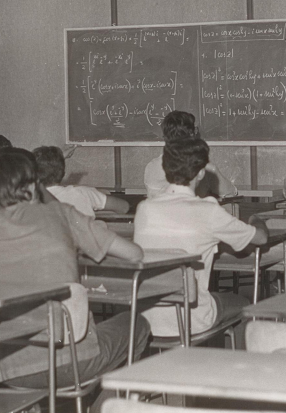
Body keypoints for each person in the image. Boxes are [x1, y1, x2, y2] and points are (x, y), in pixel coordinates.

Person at [0, 148, 150, 413]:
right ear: (34, 186)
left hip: (8, 371)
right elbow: (134, 254)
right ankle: (105, 408)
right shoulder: (61, 214)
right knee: (137, 324)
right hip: (73, 362)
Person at [135, 138, 268, 339]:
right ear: (201, 173)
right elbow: (261, 239)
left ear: (166, 169)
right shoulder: (208, 210)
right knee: (245, 303)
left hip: (146, 319)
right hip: (192, 319)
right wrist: (256, 219)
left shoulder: (144, 209)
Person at [144, 110, 237, 198]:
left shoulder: (151, 167)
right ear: (192, 135)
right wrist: (213, 169)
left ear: (165, 137)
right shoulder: (202, 167)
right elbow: (231, 193)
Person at [33, 145, 129, 217]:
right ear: (63, 173)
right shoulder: (83, 193)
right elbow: (124, 207)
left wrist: (60, 158)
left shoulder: (30, 200)